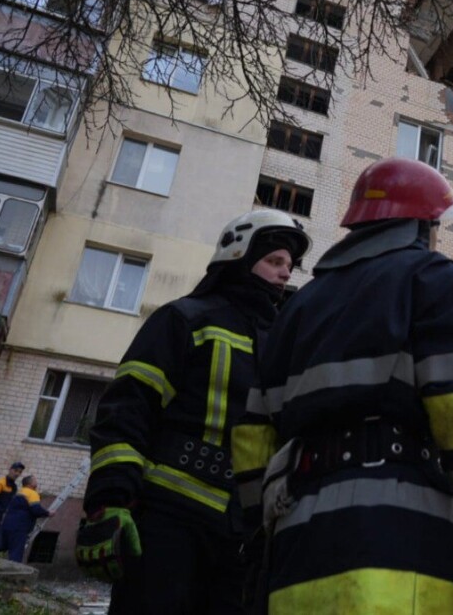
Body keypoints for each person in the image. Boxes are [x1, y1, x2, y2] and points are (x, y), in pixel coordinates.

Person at [233, 157, 453, 614]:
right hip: (401, 555)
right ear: (420, 226)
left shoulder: (297, 308)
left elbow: (252, 436)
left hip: (296, 560)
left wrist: (257, 539)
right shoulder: (432, 278)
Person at [75, 209, 311, 615]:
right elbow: (128, 408)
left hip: (243, 535)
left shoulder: (282, 346)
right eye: (275, 260)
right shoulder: (184, 318)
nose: (286, 273)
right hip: (167, 519)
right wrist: (109, 499)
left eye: (289, 265)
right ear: (239, 255)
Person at [1, 475, 52, 562]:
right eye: (35, 480)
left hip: (7, 525)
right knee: (15, 554)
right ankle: (13, 569)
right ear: (30, 484)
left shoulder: (18, 492)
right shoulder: (32, 493)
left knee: (0, 548)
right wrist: (48, 513)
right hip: (20, 527)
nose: (37, 482)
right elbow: (36, 510)